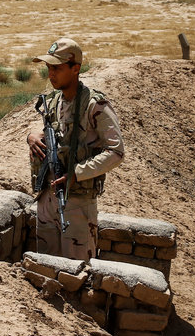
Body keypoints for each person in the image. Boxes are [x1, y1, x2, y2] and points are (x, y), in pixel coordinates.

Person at [26, 37, 124, 261]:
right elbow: (51, 133)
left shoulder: (94, 105)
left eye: (57, 68)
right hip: (47, 196)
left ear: (75, 69)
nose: (51, 73)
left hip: (77, 201)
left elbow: (116, 152)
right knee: (46, 264)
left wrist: (77, 174)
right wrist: (31, 136)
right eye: (48, 68)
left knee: (78, 270)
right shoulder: (53, 101)